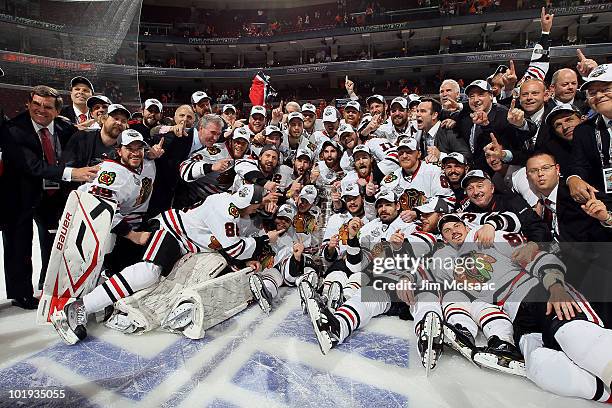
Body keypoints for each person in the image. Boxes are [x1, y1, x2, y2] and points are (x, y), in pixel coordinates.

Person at [51, 184, 285, 345]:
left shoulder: (230, 204)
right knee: (150, 272)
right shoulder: (226, 212)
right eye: (258, 204)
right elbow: (234, 248)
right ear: (250, 201)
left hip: (185, 244)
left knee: (173, 282)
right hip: (169, 231)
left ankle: (115, 301)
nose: (258, 209)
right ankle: (80, 306)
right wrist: (265, 240)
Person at [1, 85, 99, 308]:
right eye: (35, 104)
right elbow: (32, 166)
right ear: (28, 104)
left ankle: (50, 285)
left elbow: (85, 147)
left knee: (55, 242)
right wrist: (72, 174)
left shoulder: (66, 128)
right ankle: (21, 293)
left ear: (57, 110)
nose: (40, 110)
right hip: (20, 195)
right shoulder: (13, 129)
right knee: (19, 244)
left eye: (47, 106)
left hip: (54, 195)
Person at [566, 64, 612, 204]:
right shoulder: (584, 130)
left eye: (605, 89)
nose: (598, 96)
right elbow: (579, 164)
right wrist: (573, 178)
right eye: (592, 92)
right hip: (605, 202)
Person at [62, 104, 130, 169]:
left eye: (123, 121)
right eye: (116, 118)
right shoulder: (82, 138)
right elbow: (66, 168)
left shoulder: (127, 147)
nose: (119, 123)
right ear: (103, 119)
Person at [416, 97, 471, 163]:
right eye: (417, 111)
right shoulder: (420, 134)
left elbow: (467, 156)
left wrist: (441, 156)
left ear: (434, 115)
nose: (417, 114)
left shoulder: (449, 132)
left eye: (423, 111)